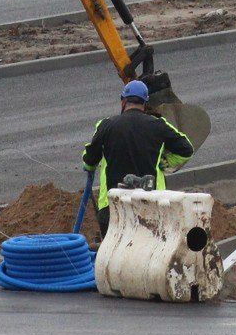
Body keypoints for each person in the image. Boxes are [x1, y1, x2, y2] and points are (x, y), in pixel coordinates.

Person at [79, 79, 197, 237]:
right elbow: (186, 149)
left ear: (123, 101)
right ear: (145, 103)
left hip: (113, 205)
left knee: (115, 255)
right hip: (152, 204)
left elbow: (90, 159)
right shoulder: (158, 125)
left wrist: (89, 166)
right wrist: (166, 162)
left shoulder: (106, 125)